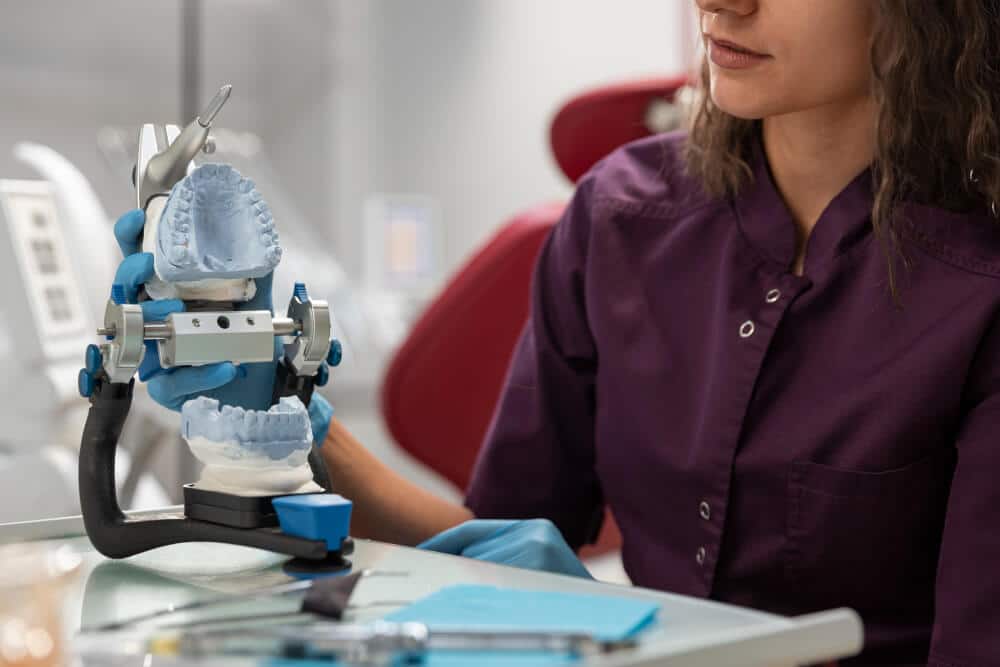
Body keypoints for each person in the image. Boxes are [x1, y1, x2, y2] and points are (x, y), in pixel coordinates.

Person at [102, 1, 1000, 664]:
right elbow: (494, 550)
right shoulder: (620, 220)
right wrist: (286, 417)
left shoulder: (977, 290)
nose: (721, 3)